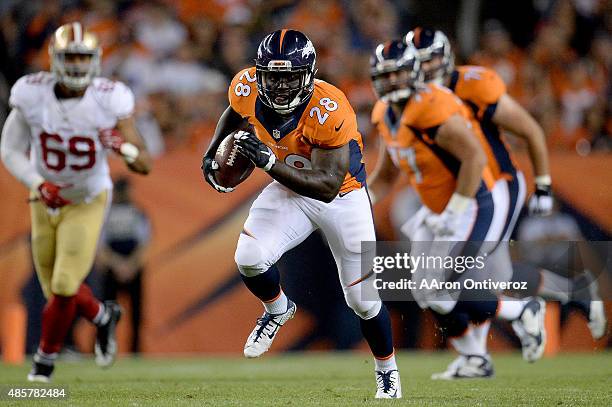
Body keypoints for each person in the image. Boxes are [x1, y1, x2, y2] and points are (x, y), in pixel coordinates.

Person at [201, 29, 401, 399]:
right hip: (289, 188)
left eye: (288, 77)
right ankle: (277, 309)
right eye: (271, 77)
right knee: (249, 257)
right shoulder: (245, 86)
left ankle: (387, 370)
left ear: (308, 75)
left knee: (362, 299)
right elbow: (235, 112)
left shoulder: (330, 107)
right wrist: (213, 152)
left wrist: (269, 162)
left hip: (342, 197)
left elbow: (326, 185)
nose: (278, 86)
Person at [405, 27, 606, 344]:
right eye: (418, 61)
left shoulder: (474, 84)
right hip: (467, 192)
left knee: (470, 275)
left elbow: (531, 130)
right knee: (500, 276)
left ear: (446, 58)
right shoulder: (411, 100)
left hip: (498, 185)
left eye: (430, 60)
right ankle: (573, 291)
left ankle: (483, 349)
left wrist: (542, 184)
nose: (425, 68)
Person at [367, 39, 546, 380]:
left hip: (473, 203)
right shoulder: (383, 114)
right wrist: (358, 201)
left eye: (399, 74)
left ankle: (522, 309)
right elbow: (387, 174)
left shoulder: (431, 106)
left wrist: (454, 212)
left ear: (415, 74)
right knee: (425, 291)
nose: (391, 83)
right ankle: (475, 357)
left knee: (444, 284)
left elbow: (476, 157)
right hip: (438, 211)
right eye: (385, 75)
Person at [0, 23, 151, 382]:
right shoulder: (32, 93)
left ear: (95, 60)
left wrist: (122, 146)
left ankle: (43, 365)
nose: (79, 65)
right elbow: (9, 149)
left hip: (87, 197)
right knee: (54, 288)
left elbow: (143, 162)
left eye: (84, 57)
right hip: (44, 198)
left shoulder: (109, 97)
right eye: (72, 57)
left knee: (66, 284)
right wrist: (38, 182)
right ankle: (102, 315)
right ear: (55, 58)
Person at [97, 177, 151, 354]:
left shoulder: (137, 213)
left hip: (131, 268)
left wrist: (129, 265)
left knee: (136, 315)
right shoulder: (105, 214)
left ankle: (135, 351)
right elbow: (101, 245)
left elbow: (144, 243)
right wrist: (118, 264)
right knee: (107, 312)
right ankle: (103, 349)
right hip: (113, 269)